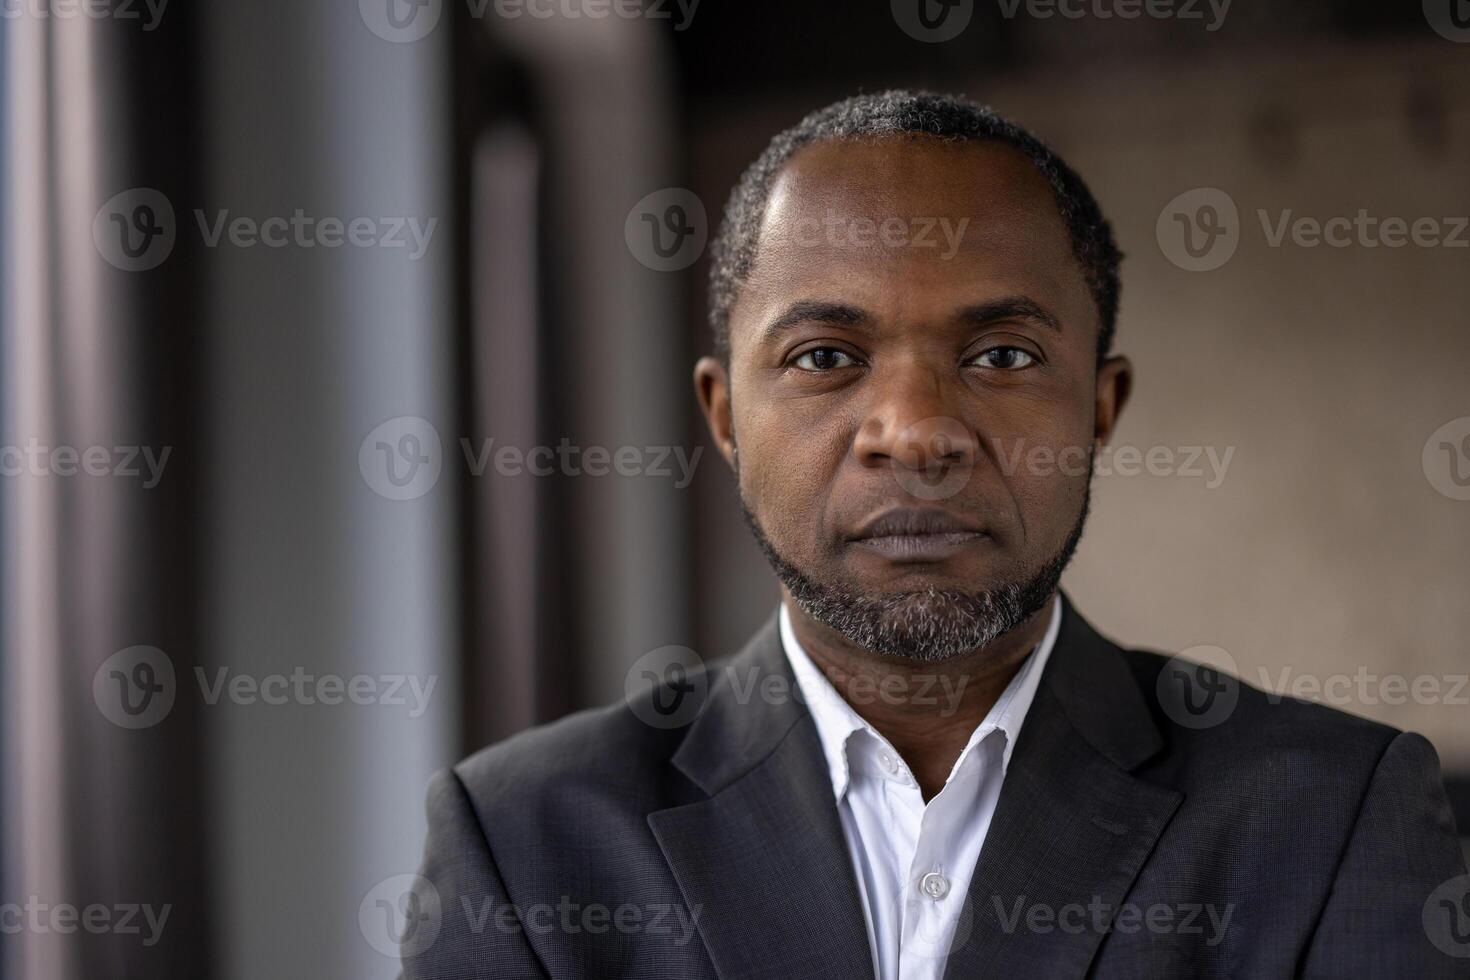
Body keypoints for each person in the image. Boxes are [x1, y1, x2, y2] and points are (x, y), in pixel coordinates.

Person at [403, 90, 1469, 978]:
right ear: (725, 416)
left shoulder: (1331, 816)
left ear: (1101, 408)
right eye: (825, 356)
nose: (915, 433)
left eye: (1002, 355)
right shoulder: (525, 840)